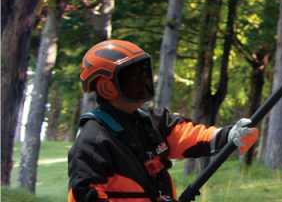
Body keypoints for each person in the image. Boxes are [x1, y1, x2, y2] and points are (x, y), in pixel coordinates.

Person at [68, 39, 259, 202]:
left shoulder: (152, 122)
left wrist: (229, 135)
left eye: (144, 73)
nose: (143, 81)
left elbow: (191, 137)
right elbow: (84, 193)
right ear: (106, 88)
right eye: (133, 77)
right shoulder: (93, 140)